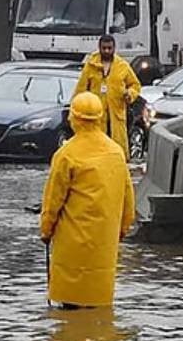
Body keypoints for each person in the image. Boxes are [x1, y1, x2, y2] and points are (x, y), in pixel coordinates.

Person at [40, 92, 135, 309]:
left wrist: (46, 230)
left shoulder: (66, 154)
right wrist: (122, 229)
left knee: (70, 308)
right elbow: (128, 198)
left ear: (74, 118)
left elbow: (53, 201)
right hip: (104, 244)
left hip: (71, 245)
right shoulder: (116, 152)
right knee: (98, 306)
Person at [73, 34, 141, 161]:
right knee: (97, 150)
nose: (106, 51)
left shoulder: (123, 66)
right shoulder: (91, 65)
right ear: (99, 47)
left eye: (109, 48)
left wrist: (129, 94)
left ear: (114, 48)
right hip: (96, 116)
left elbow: (135, 85)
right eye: (104, 48)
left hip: (116, 115)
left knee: (117, 151)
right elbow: (80, 90)